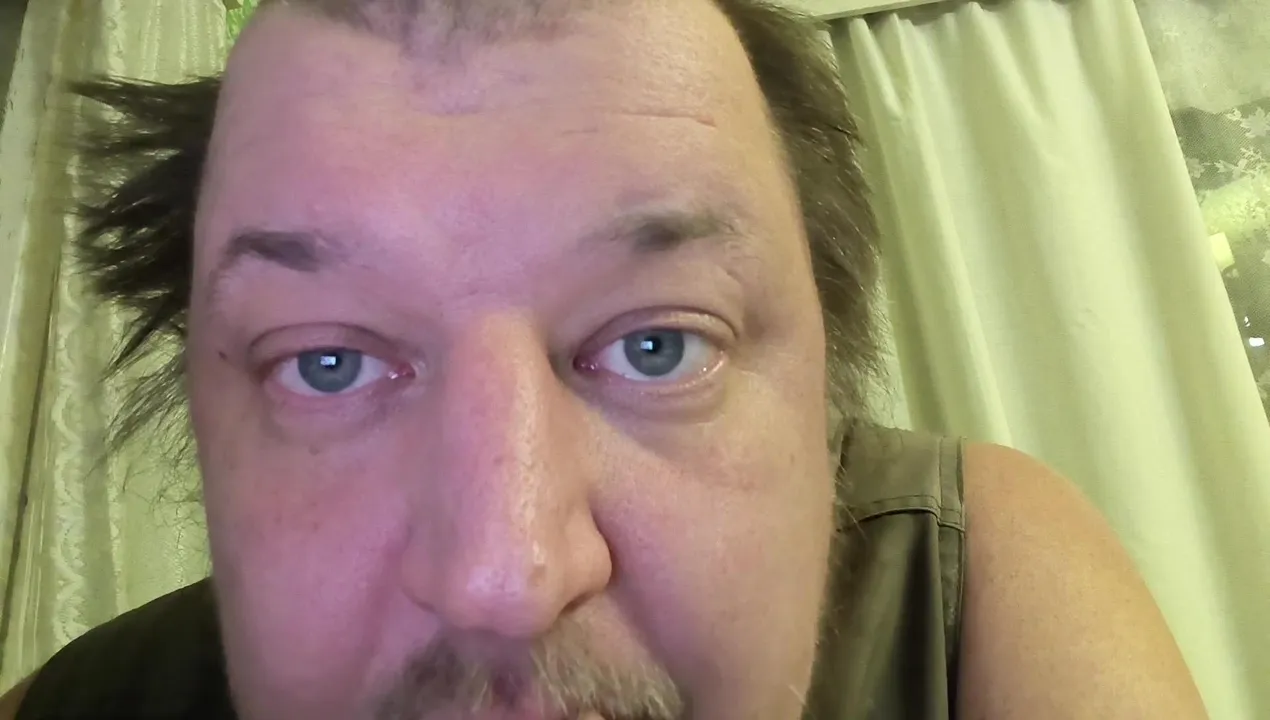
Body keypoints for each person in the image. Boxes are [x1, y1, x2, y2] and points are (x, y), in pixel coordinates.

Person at [0, 0, 1209, 718]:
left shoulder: (968, 587)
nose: (505, 576)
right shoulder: (85, 702)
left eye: (655, 345)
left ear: (824, 411)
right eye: (328, 365)